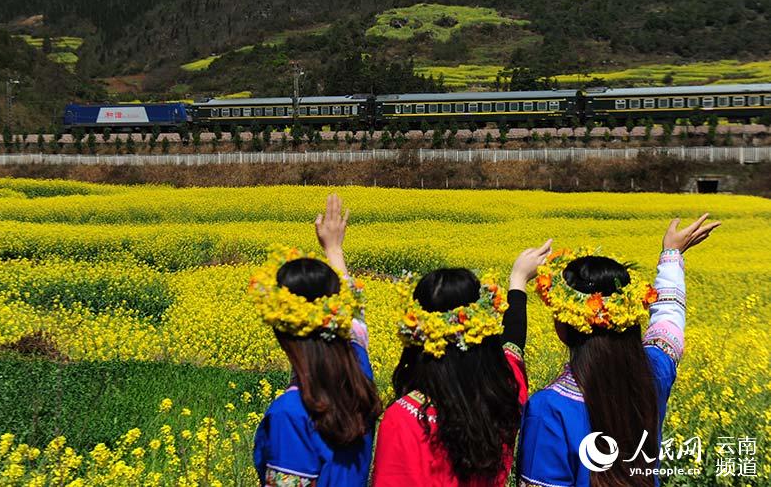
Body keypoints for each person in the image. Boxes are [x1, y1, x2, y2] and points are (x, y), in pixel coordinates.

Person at [517, 214, 720, 487]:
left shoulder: (550, 409)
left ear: (563, 327)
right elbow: (668, 322)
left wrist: (517, 279)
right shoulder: (653, 374)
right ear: (631, 317)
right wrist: (672, 255)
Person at [372, 240, 554, 486]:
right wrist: (518, 279)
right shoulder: (503, 394)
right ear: (484, 330)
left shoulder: (402, 419)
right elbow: (513, 343)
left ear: (417, 334)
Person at [251, 194, 382, 487]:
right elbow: (356, 325)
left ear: (282, 328)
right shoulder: (358, 378)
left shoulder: (293, 414)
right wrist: (334, 250)